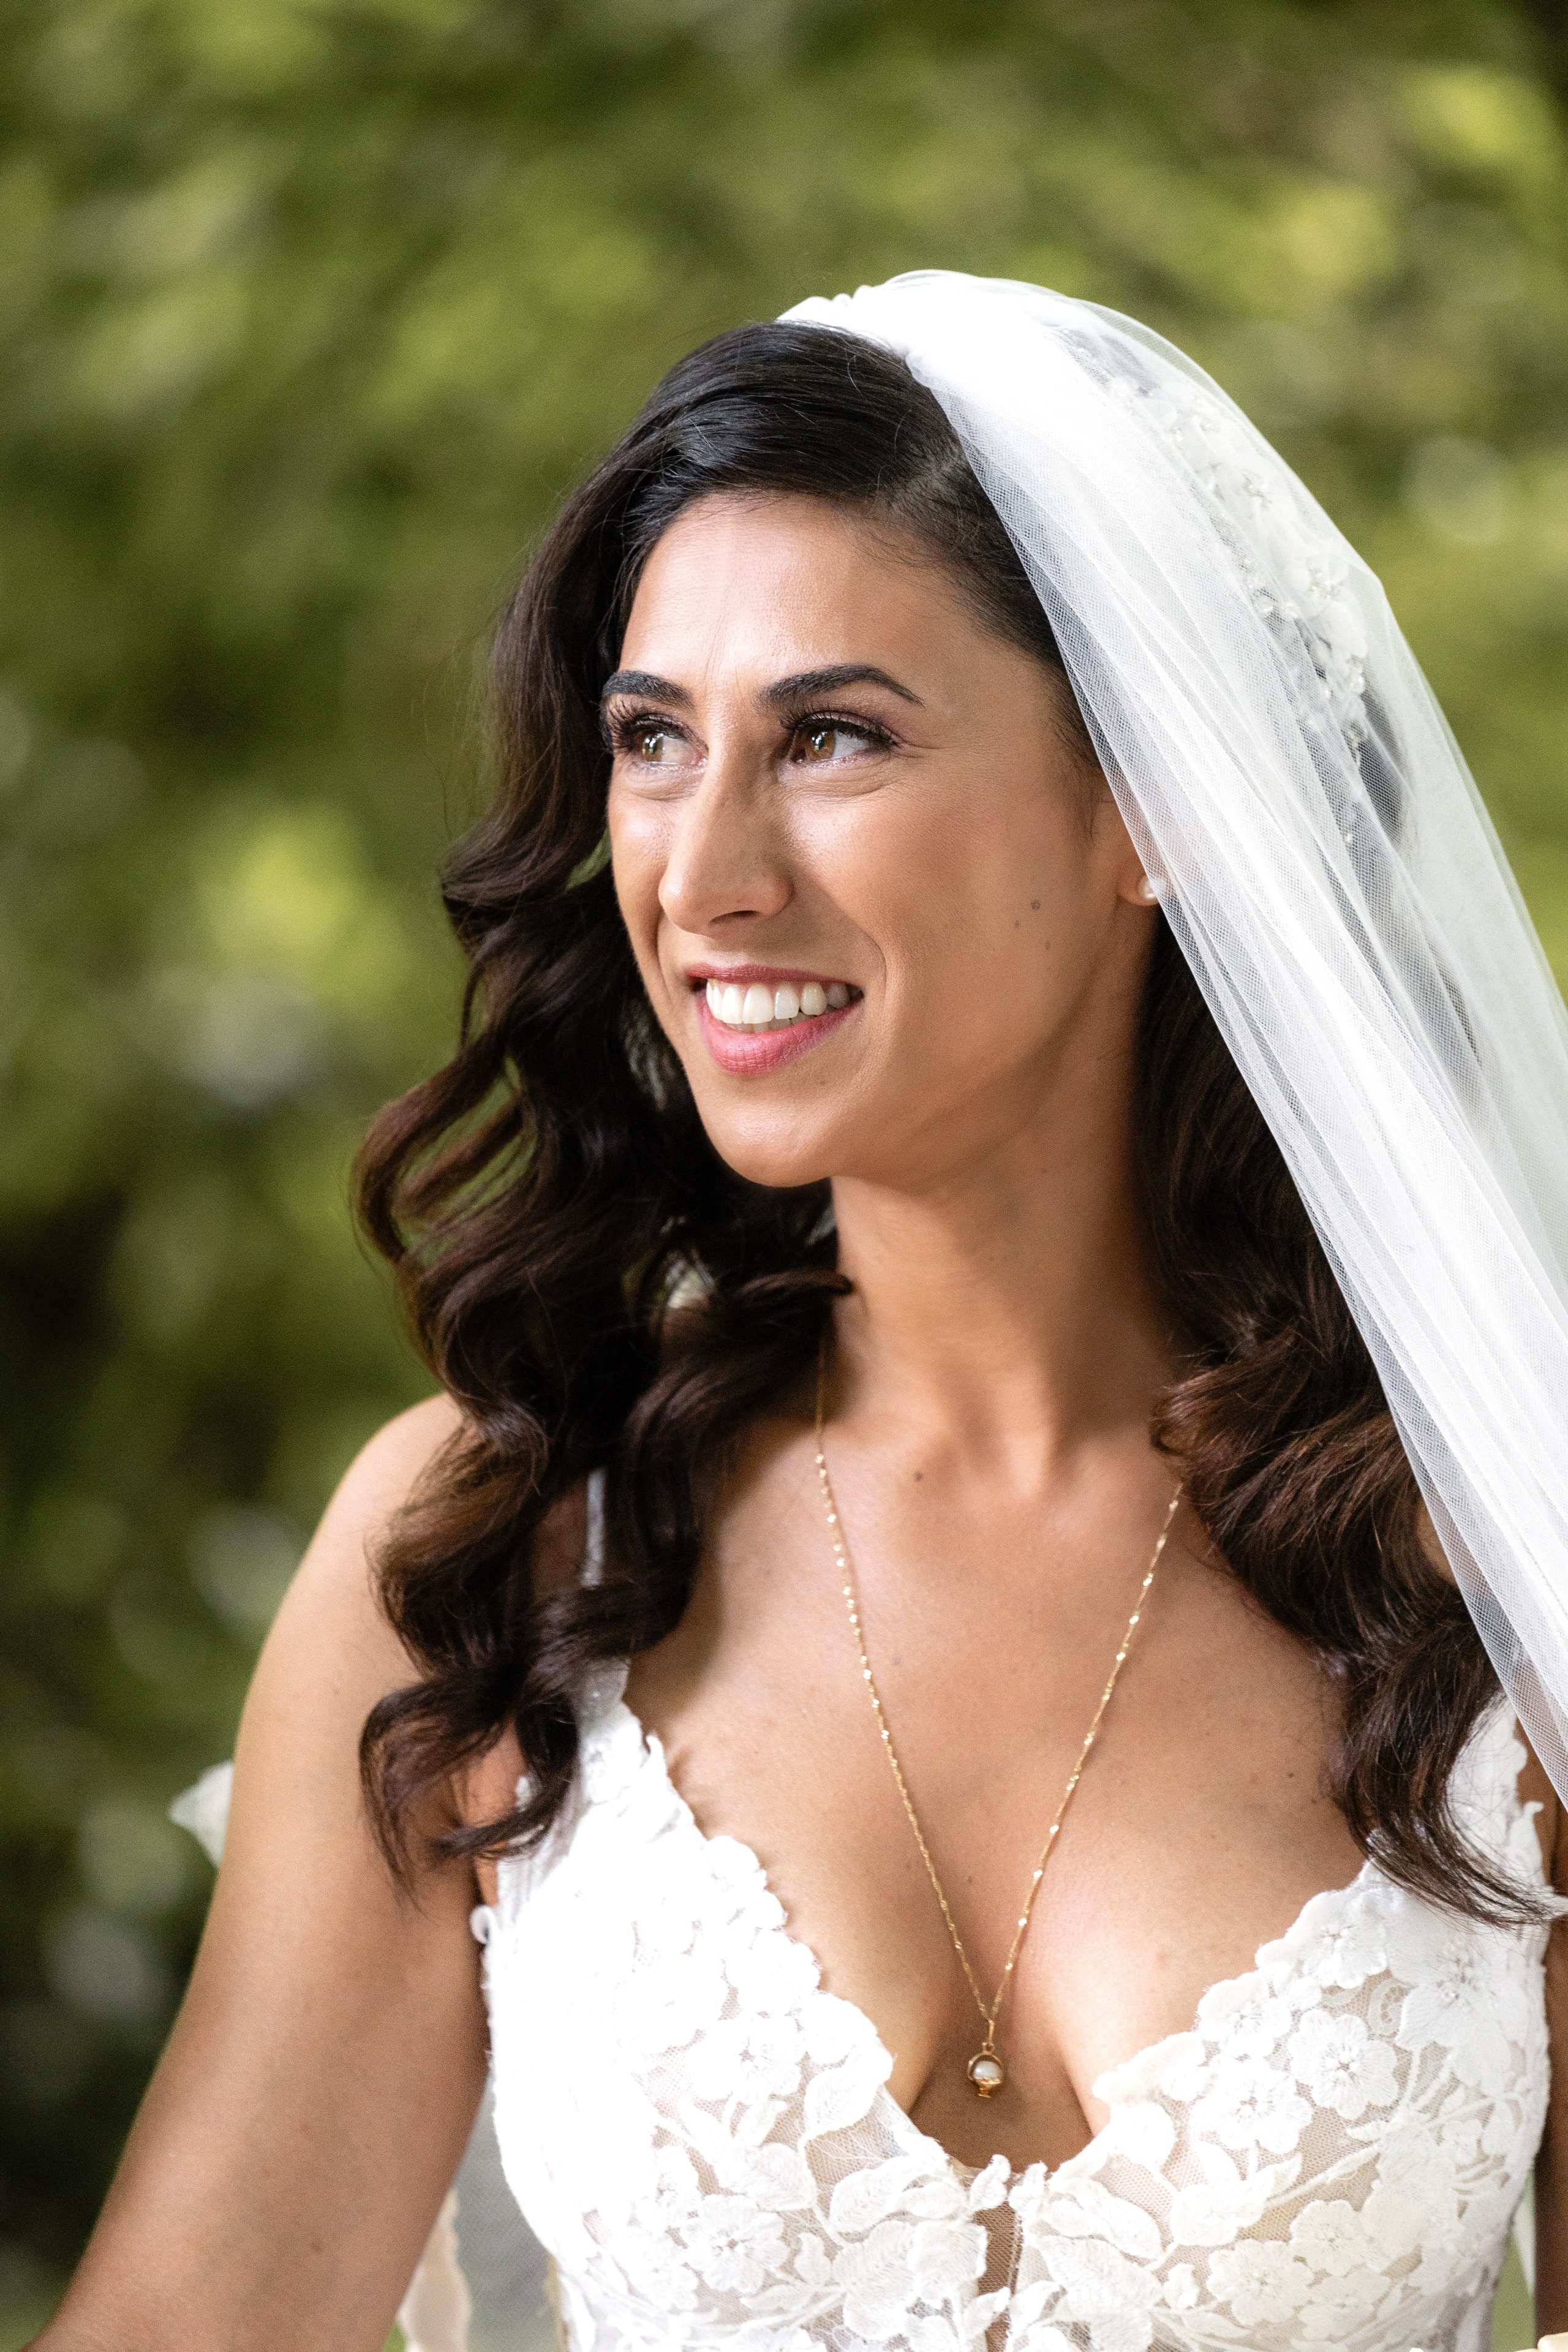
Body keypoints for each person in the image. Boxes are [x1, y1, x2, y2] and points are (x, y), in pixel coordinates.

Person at [31, 272, 1568, 2352]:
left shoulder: (1494, 1558)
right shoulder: (493, 1557)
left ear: (1154, 808)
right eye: (655, 741)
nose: (704, 871)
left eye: (832, 736)